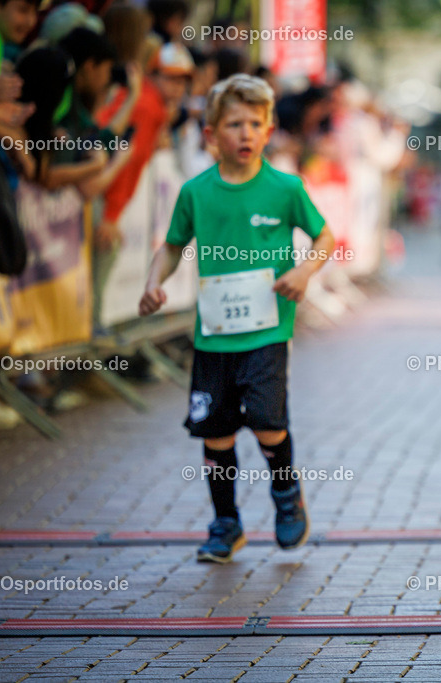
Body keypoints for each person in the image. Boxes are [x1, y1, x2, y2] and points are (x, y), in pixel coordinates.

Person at [138, 74, 335, 562]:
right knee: (216, 433)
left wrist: (304, 272)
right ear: (210, 135)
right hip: (214, 336)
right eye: (233, 124)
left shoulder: (285, 188)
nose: (245, 133)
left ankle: (286, 495)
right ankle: (226, 524)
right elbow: (172, 245)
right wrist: (153, 281)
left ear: (268, 131)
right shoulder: (196, 192)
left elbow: (324, 236)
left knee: (268, 424)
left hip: (268, 331)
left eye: (254, 123)